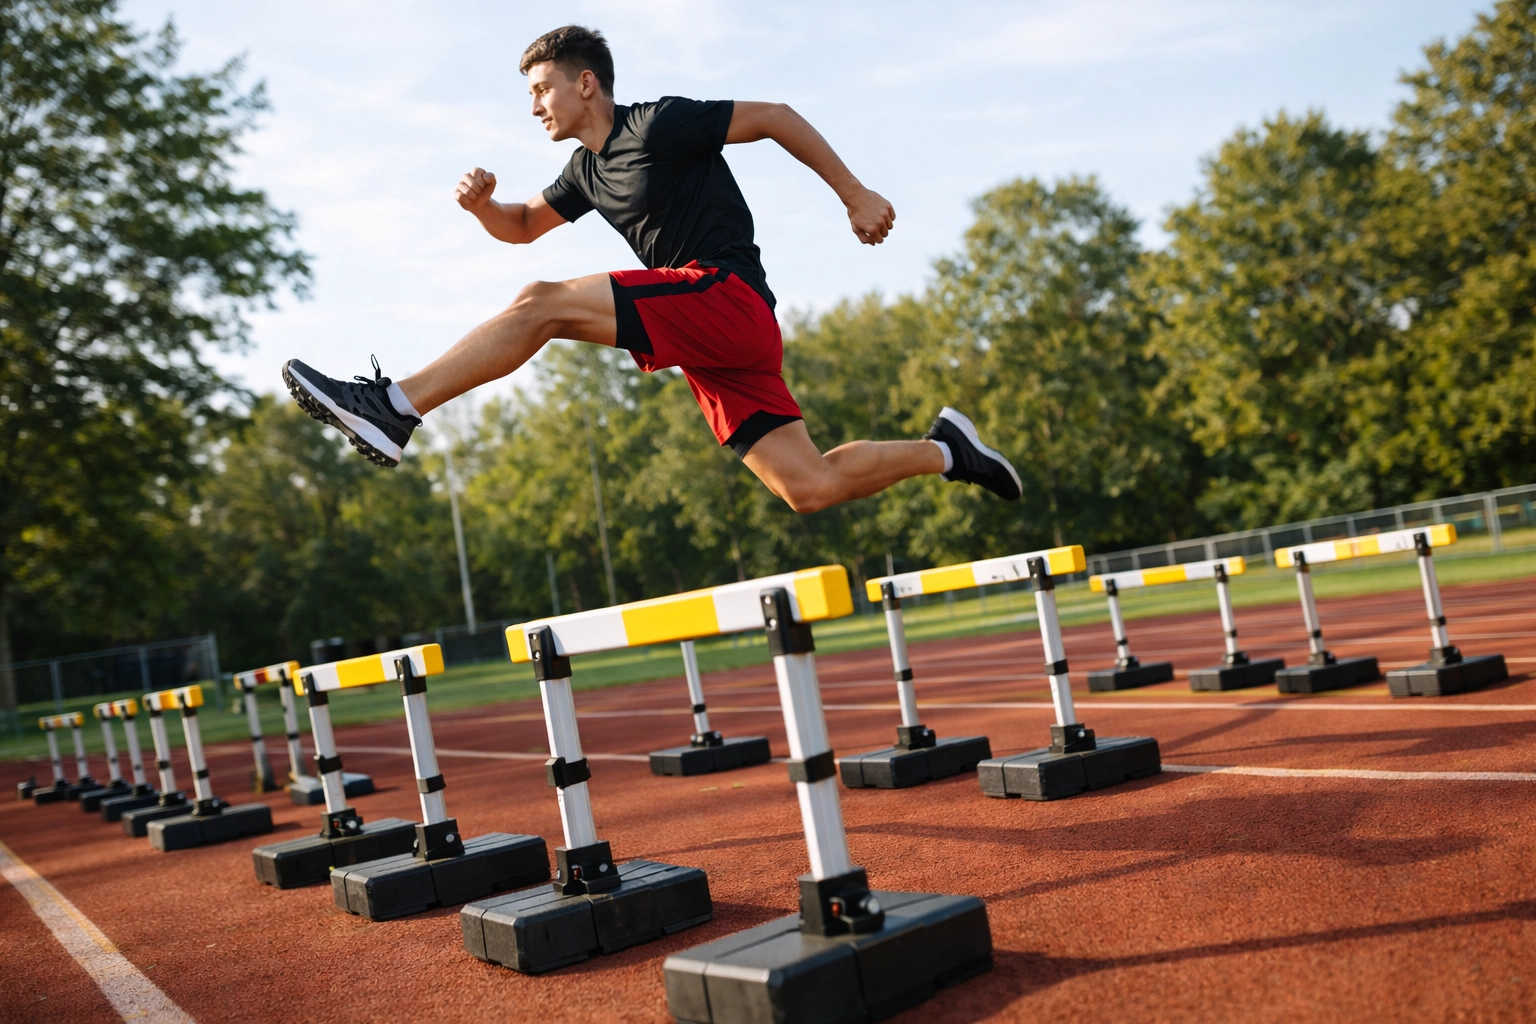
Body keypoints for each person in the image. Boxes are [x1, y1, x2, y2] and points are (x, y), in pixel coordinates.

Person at [283, 25, 1020, 513]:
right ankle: (947, 451)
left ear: (585, 84)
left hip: (726, 297)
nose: (534, 107)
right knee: (809, 486)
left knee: (542, 303)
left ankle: (394, 406)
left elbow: (774, 115)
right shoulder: (584, 170)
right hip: (714, 339)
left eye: (541, 89)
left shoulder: (657, 123)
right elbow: (523, 227)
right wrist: (483, 208)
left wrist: (854, 194)